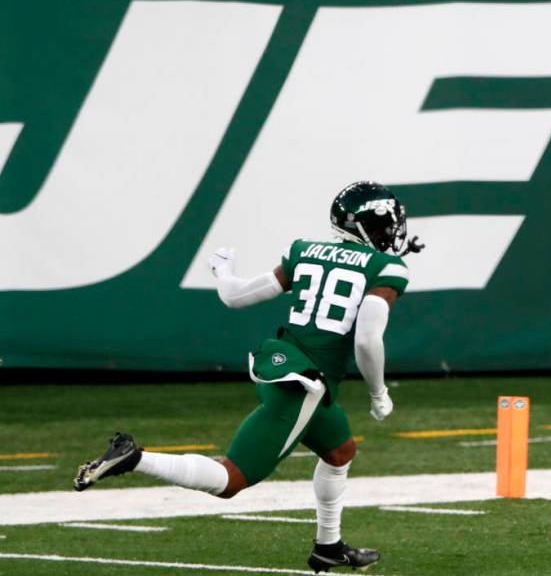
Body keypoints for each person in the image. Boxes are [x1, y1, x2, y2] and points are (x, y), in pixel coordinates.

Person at [74, 180, 423, 573]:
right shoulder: (388, 267)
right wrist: (378, 393)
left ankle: (329, 546)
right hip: (304, 383)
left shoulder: (304, 252)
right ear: (363, 226)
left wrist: (224, 271)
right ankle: (134, 458)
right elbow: (366, 340)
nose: (391, 233)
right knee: (231, 479)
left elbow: (236, 296)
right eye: (384, 225)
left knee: (340, 452)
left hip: (285, 365)